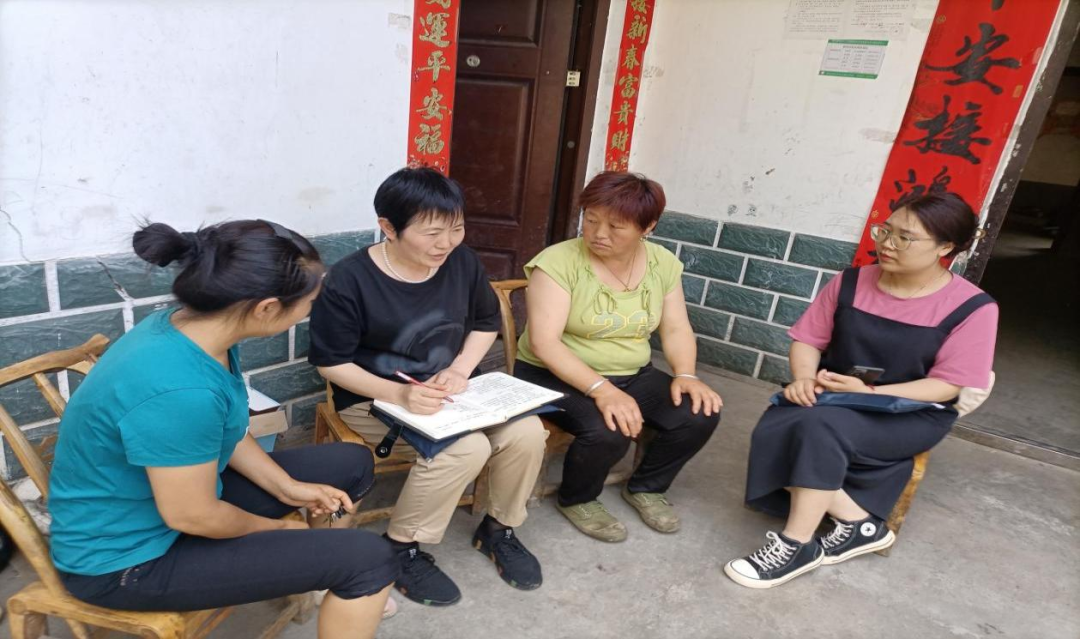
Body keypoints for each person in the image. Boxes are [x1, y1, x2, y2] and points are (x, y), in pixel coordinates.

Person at [48, 220, 397, 639]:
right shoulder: (181, 389)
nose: (310, 311)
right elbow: (193, 515)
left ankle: (327, 572)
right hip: (124, 560)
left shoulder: (190, 330)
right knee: (369, 560)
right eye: (309, 303)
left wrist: (288, 488)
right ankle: (342, 571)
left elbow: (225, 430)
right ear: (266, 308)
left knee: (351, 462)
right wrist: (277, 529)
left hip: (164, 503)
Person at [724, 192, 998, 589]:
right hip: (836, 395)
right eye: (885, 231)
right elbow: (807, 340)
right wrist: (803, 378)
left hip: (912, 411)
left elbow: (946, 385)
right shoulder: (850, 282)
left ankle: (797, 545)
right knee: (784, 417)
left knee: (815, 427)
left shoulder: (973, 308)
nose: (887, 243)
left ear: (945, 247)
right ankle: (860, 524)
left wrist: (869, 394)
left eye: (905, 238)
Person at [308, 167, 547, 607]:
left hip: (455, 391)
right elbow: (331, 364)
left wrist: (459, 369)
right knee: (465, 448)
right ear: (388, 227)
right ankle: (400, 548)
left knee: (528, 431)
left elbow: (485, 322)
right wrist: (400, 394)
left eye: (456, 229)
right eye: (432, 233)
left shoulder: (461, 261)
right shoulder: (349, 280)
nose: (446, 243)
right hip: (374, 398)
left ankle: (498, 529)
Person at [513, 171, 722, 542]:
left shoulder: (661, 263)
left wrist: (686, 375)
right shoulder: (558, 263)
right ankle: (578, 498)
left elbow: (676, 328)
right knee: (610, 428)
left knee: (698, 412)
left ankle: (646, 487)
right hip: (550, 372)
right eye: (591, 220)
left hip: (631, 371)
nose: (598, 233)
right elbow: (545, 344)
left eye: (616, 226)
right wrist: (602, 390)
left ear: (648, 227)